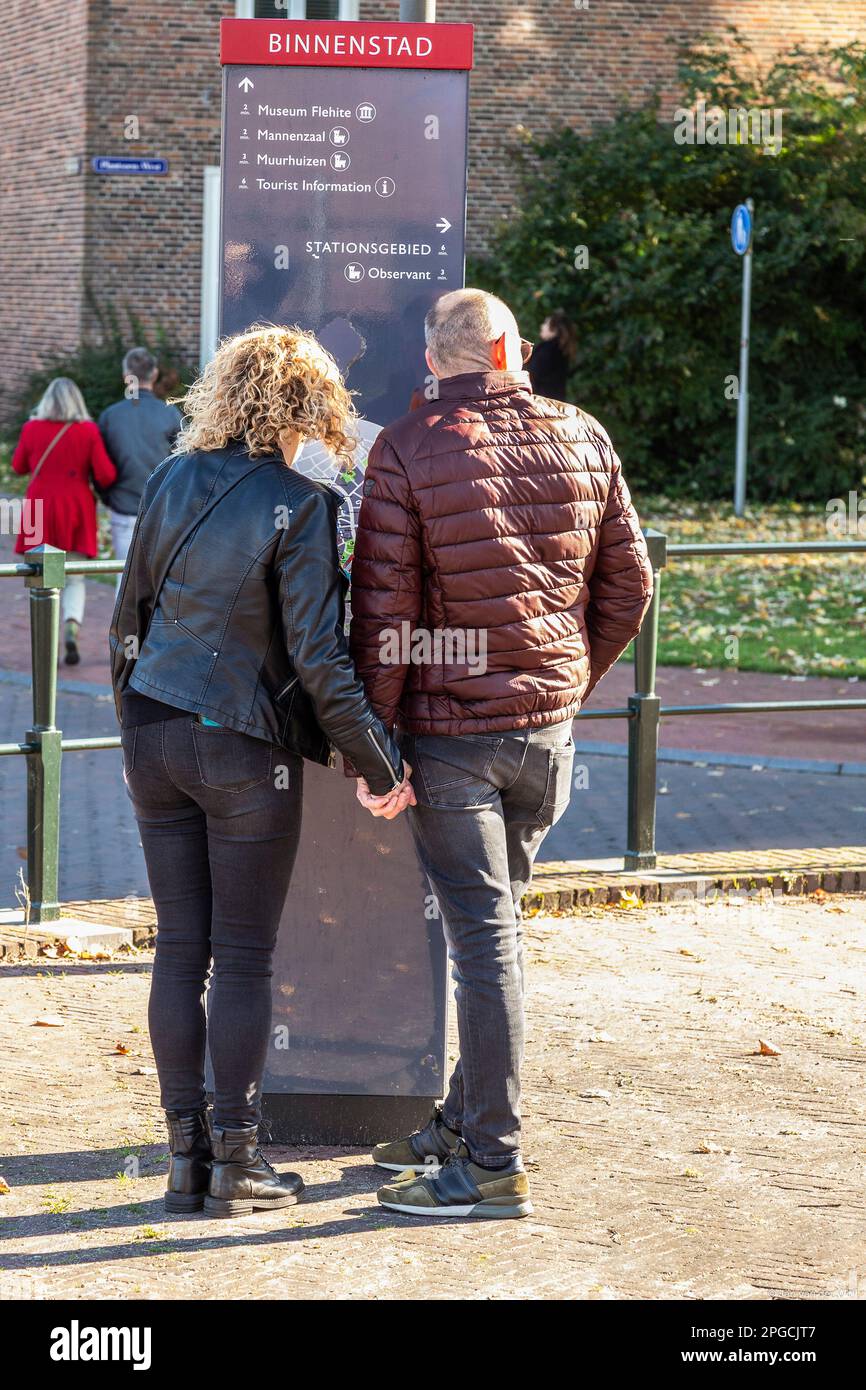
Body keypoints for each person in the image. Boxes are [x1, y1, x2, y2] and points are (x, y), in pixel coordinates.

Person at [348, 289, 653, 1220]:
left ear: (437, 363)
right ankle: (460, 1120)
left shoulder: (404, 449)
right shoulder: (584, 434)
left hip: (453, 743)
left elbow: (386, 616)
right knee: (498, 937)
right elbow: (631, 583)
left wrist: (380, 751)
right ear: (507, 348)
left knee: (486, 945)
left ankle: (492, 1160)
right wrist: (566, 685)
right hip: (543, 740)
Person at [109, 324, 413, 1219]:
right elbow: (321, 660)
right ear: (310, 405)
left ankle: (182, 1160)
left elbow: (129, 620)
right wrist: (378, 761)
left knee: (179, 950)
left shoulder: (169, 479)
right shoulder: (302, 503)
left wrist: (138, 727)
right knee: (241, 959)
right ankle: (237, 1160)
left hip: (152, 735)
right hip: (240, 747)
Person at [12, 377, 116, 665]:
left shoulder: (31, 428)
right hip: (75, 506)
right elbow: (106, 474)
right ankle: (71, 624)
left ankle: (46, 639)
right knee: (74, 578)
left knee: (42, 578)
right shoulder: (88, 431)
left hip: (39, 507)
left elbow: (18, 466)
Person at [98, 347, 182, 589]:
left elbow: (100, 468)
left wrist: (108, 497)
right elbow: (182, 463)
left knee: (124, 581)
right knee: (158, 583)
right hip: (160, 509)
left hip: (123, 507)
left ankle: (123, 628)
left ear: (126, 375)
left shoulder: (110, 416)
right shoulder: (170, 415)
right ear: (154, 374)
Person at [526, 308, 577, 402]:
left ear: (554, 329)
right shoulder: (562, 351)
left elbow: (532, 377)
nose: (542, 326)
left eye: (546, 324)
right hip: (556, 403)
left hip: (540, 403)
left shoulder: (547, 351)